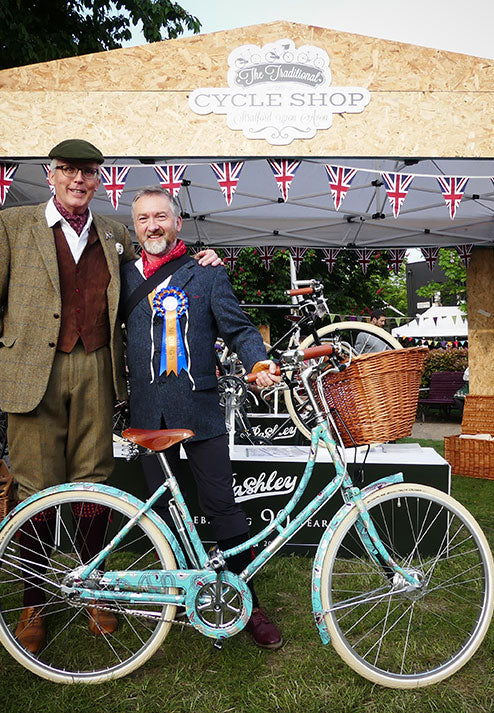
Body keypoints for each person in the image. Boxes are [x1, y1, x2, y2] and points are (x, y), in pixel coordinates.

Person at [0, 140, 219, 654]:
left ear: (98, 179)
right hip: (29, 373)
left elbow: (160, 262)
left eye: (87, 172)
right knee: (36, 493)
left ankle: (95, 592)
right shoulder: (12, 226)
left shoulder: (114, 232)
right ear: (51, 174)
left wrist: (202, 259)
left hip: (97, 372)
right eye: (68, 171)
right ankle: (32, 602)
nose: (78, 180)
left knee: (94, 487)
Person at [122, 186, 284, 650]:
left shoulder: (206, 273)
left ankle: (248, 602)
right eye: (143, 219)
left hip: (200, 413)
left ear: (177, 222)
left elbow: (238, 327)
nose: (152, 226)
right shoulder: (122, 278)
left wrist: (257, 362)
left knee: (223, 509)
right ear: (135, 227)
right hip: (149, 417)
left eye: (160, 217)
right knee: (161, 515)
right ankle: (178, 597)